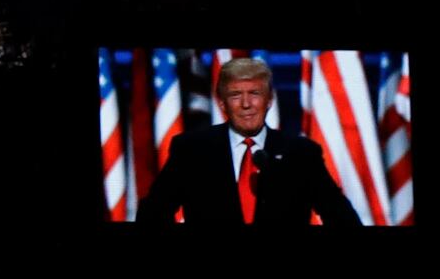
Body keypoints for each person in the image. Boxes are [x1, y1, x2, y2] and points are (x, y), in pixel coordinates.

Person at [141, 58, 347, 227]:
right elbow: (152, 214)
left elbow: (341, 217)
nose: (246, 104)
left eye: (255, 94)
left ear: (269, 101)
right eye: (235, 95)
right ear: (222, 103)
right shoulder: (191, 150)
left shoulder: (301, 154)